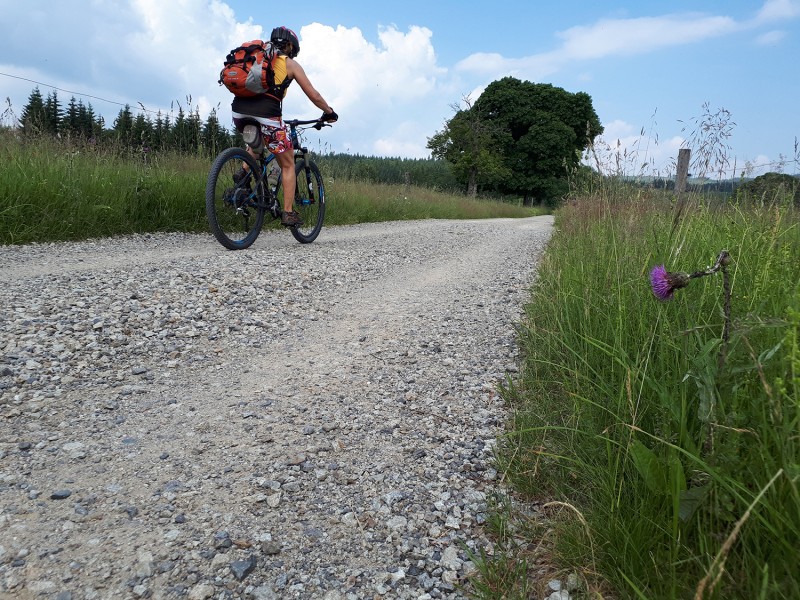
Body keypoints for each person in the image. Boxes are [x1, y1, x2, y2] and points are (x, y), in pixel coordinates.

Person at [231, 26, 338, 226]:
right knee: (288, 164)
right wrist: (329, 112)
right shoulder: (290, 64)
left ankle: (243, 174)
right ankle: (288, 212)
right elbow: (313, 95)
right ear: (289, 45)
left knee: (258, 143)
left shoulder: (256, 58)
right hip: (267, 115)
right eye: (293, 49)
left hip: (238, 111)